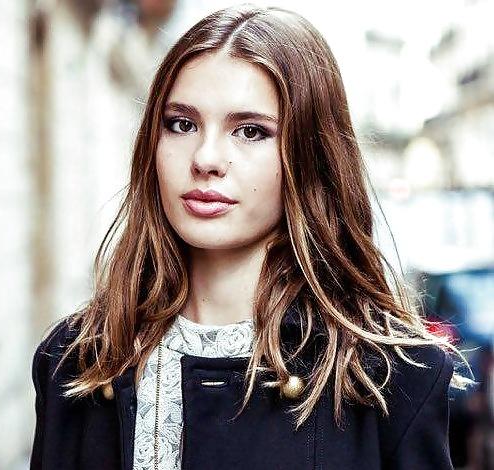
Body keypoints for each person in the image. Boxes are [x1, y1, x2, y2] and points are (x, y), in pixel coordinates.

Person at [30, 4, 474, 469]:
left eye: (250, 131)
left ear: (309, 156)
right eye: (182, 124)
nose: (205, 158)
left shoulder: (392, 380)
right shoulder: (73, 362)